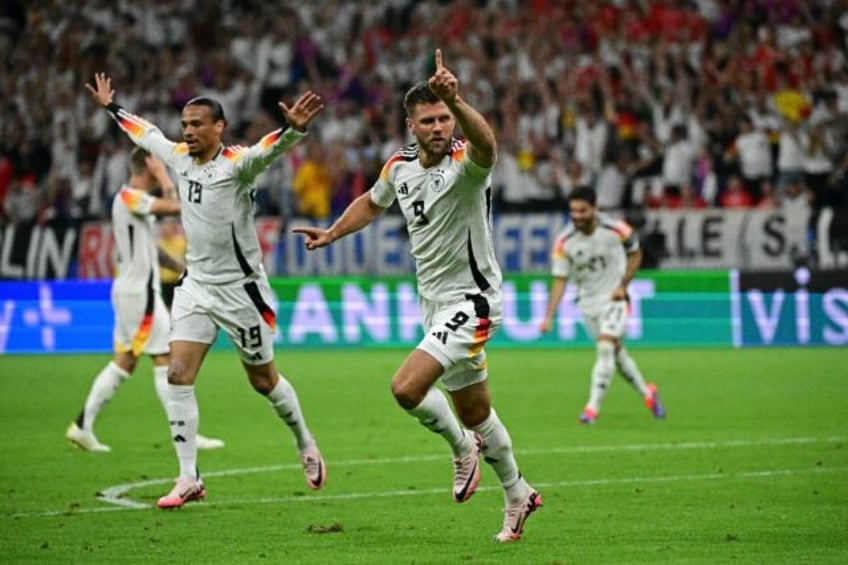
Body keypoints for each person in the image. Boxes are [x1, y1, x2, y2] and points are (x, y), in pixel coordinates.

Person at [294, 50, 541, 543]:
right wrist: (331, 234)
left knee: (406, 388)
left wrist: (459, 99)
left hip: (473, 301)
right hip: (434, 304)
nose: (438, 126)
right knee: (476, 411)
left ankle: (460, 449)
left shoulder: (466, 165)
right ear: (410, 124)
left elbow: (488, 145)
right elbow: (370, 202)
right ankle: (519, 494)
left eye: (444, 117)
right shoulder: (399, 168)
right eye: (428, 119)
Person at [85, 72, 327, 509]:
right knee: (178, 374)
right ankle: (187, 477)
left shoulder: (237, 165)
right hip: (196, 285)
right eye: (185, 124)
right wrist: (112, 108)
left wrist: (294, 129)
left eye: (198, 124)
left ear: (220, 127)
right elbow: (147, 134)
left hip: (242, 291)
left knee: (263, 381)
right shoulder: (177, 158)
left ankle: (304, 441)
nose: (189, 131)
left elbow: (267, 152)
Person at [66, 147, 225, 453]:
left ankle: (82, 426)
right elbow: (179, 207)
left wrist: (179, 267)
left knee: (125, 362)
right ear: (148, 169)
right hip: (139, 295)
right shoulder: (129, 198)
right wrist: (165, 175)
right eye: (157, 168)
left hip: (133, 292)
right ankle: (185, 434)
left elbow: (150, 249)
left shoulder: (135, 203)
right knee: (166, 358)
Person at [540, 186, 666, 424]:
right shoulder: (564, 241)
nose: (577, 216)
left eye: (582, 210)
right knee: (616, 354)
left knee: (606, 347)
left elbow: (636, 253)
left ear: (595, 208)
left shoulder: (617, 229)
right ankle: (648, 393)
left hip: (615, 299)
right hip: (588, 304)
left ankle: (591, 410)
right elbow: (560, 280)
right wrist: (549, 316)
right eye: (573, 211)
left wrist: (623, 285)